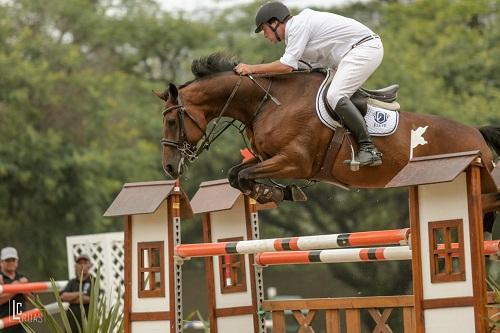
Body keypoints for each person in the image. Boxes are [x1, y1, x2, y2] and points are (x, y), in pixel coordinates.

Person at [234, 1, 384, 166]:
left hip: (364, 49)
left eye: (264, 29)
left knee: (334, 95)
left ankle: (369, 149)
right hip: (348, 56)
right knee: (320, 95)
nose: (264, 35)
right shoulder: (294, 37)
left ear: (275, 22)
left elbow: (286, 66)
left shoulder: (298, 25)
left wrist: (251, 68)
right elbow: (298, 69)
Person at [60, 254, 93, 333]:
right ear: (76, 266)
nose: (82, 266)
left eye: (85, 263)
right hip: (71, 326)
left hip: (87, 326)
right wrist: (81, 293)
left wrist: (70, 299)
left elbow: (89, 299)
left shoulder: (93, 280)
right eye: (80, 263)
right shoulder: (72, 282)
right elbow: (62, 297)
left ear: (89, 266)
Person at [0, 247, 30, 333]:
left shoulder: (22, 277)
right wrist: (17, 287)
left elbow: (32, 300)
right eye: (7, 260)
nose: (11, 263)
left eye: (13, 260)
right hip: (3, 326)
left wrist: (25, 290)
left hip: (22, 326)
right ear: (1, 262)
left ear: (17, 262)